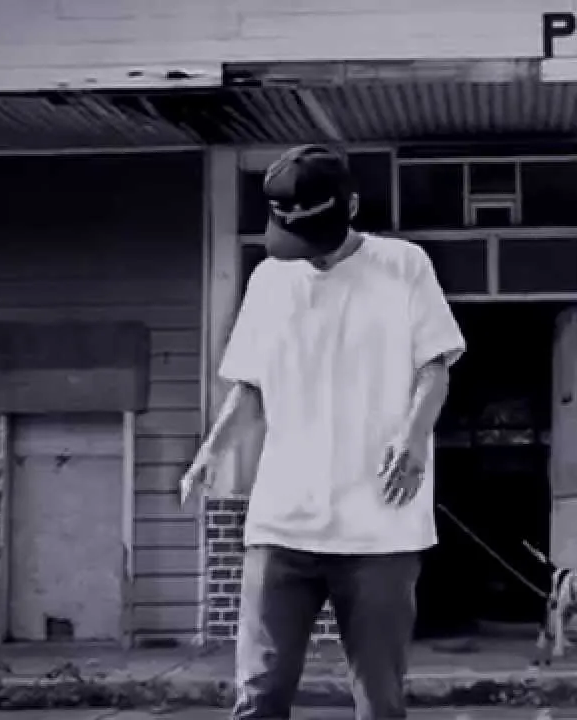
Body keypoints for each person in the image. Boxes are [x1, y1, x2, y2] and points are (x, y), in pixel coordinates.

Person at [179, 144, 466, 720]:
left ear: (351, 206)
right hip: (282, 522)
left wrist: (413, 435)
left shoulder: (403, 265)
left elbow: (434, 366)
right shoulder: (269, 280)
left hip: (380, 526)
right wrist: (211, 452)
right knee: (259, 695)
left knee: (379, 703)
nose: (307, 254)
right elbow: (252, 387)